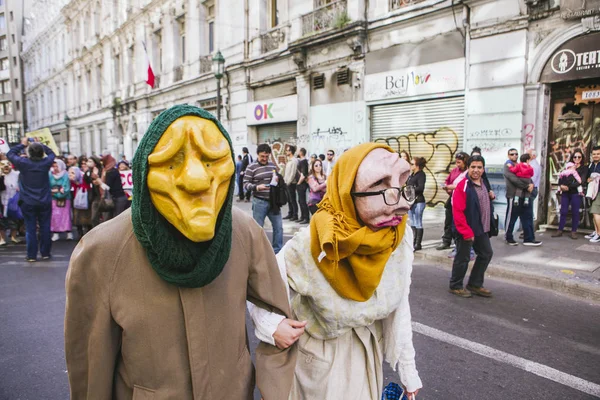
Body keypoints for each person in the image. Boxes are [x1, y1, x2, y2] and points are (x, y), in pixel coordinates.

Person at [64, 105, 297, 399]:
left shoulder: (245, 232)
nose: (197, 179)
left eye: (213, 160)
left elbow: (276, 316)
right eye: (171, 162)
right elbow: (90, 366)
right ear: (143, 170)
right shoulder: (103, 249)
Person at [248, 143, 423, 399]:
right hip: (320, 363)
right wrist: (272, 326)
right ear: (347, 192)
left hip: (366, 356)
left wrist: (408, 370)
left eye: (404, 186)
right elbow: (261, 290)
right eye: (381, 187)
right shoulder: (312, 243)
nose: (403, 205)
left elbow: (399, 304)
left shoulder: (398, 236)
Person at [449, 155, 495, 298]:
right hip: (466, 230)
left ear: (483, 169)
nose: (476, 170)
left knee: (486, 253)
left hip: (481, 229)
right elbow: (457, 211)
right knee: (462, 258)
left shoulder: (483, 184)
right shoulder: (463, 185)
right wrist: (466, 231)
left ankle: (474, 284)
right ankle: (455, 285)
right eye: (473, 167)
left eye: (479, 167)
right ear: (468, 168)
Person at [7, 138, 55, 262]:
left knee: (30, 228)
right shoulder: (45, 163)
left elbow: (10, 154)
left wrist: (22, 144)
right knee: (45, 227)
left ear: (29, 152)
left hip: (28, 201)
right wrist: (41, 144)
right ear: (41, 153)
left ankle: (31, 255)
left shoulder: (23, 163)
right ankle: (45, 253)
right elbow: (52, 154)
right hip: (44, 199)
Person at [244, 143, 284, 253]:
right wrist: (256, 187)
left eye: (267, 156)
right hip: (259, 202)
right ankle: (258, 253)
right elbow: (245, 184)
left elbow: (277, 179)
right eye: (262, 156)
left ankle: (277, 252)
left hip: (273, 202)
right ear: (257, 155)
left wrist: (277, 180)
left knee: (279, 228)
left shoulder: (272, 166)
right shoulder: (251, 167)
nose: (264, 159)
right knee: (258, 229)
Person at [503, 148, 541, 246]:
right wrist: (527, 185)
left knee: (527, 216)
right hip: (513, 195)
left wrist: (531, 184)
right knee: (512, 217)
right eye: (512, 154)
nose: (514, 156)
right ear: (508, 155)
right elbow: (513, 179)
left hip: (524, 196)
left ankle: (529, 238)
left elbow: (527, 176)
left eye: (516, 154)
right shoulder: (508, 165)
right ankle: (508, 237)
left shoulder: (521, 165)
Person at [552, 149, 589, 239]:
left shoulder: (584, 168)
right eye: (575, 157)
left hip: (576, 193)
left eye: (579, 157)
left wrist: (568, 186)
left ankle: (573, 231)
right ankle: (560, 230)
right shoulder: (568, 166)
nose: (577, 158)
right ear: (572, 157)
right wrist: (561, 185)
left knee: (575, 212)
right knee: (563, 211)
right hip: (565, 193)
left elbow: (582, 181)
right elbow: (561, 177)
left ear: (582, 158)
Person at [437, 152, 469, 250]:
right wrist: (446, 187)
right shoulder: (454, 171)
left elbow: (467, 186)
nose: (457, 164)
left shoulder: (468, 172)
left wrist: (454, 187)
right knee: (448, 221)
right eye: (456, 162)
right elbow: (447, 180)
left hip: (461, 201)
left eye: (459, 162)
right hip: (451, 199)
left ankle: (457, 243)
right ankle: (446, 241)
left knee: (458, 222)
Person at [49, 159, 73, 241]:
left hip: (65, 199)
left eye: (57, 166)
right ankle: (55, 233)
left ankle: (68, 232)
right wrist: (56, 192)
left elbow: (66, 188)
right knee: (55, 216)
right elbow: (49, 187)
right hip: (53, 200)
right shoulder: (50, 175)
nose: (55, 168)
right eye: (54, 166)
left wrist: (56, 193)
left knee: (66, 216)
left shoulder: (65, 175)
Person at [101, 153, 129, 219]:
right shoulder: (108, 171)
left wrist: (99, 182)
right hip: (116, 198)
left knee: (117, 219)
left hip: (118, 199)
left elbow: (107, 187)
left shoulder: (112, 172)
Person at [407, 157, 426, 251]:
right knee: (412, 223)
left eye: (412, 164)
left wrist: (410, 189)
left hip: (418, 201)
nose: (410, 165)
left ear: (417, 166)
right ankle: (413, 242)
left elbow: (421, 188)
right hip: (411, 202)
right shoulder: (412, 175)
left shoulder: (421, 175)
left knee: (418, 222)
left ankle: (418, 244)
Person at [0, 160, 21, 245]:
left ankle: (14, 236)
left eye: (8, 165)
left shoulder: (16, 174)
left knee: (14, 219)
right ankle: (2, 238)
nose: (6, 167)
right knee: (1, 221)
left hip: (13, 200)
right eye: (3, 165)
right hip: (1, 200)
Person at [68, 166, 92, 240]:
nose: (71, 175)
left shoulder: (83, 179)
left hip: (84, 201)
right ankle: (80, 234)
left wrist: (77, 184)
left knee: (86, 217)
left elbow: (87, 187)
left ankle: (88, 232)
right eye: (69, 173)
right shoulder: (70, 182)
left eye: (73, 173)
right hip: (76, 202)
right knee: (77, 218)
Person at [83, 156, 103, 227]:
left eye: (90, 161)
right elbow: (86, 181)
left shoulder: (102, 170)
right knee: (94, 218)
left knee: (104, 217)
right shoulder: (89, 172)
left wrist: (97, 177)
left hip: (102, 195)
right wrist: (87, 173)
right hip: (95, 197)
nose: (88, 163)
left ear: (95, 163)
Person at [586, 146, 600, 243]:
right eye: (594, 154)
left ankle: (599, 234)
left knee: (595, 212)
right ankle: (596, 231)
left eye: (598, 154)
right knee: (594, 212)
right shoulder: (591, 165)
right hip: (592, 192)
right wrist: (589, 179)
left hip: (599, 191)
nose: (596, 156)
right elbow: (587, 178)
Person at [282, 145, 299, 222]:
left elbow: (293, 173)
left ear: (291, 151)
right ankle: (290, 213)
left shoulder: (294, 161)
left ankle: (295, 215)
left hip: (291, 183)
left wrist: (288, 182)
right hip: (287, 182)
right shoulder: (289, 160)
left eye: (288, 150)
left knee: (292, 200)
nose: (286, 152)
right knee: (289, 199)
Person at [296, 147, 310, 224]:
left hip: (302, 184)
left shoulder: (303, 161)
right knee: (300, 201)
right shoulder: (301, 161)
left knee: (302, 201)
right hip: (300, 184)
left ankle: (306, 218)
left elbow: (303, 174)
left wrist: (298, 183)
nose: (297, 152)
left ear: (301, 152)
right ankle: (302, 216)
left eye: (299, 151)